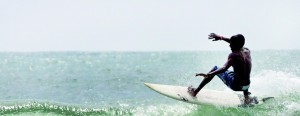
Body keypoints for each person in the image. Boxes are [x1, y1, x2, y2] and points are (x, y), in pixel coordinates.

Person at [188, 33, 253, 104]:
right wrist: (221, 38)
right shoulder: (247, 51)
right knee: (241, 71)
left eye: (231, 43)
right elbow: (237, 43)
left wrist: (209, 74)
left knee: (215, 68)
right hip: (246, 86)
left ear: (236, 45)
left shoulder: (234, 55)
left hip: (236, 86)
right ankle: (246, 97)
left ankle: (195, 92)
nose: (229, 45)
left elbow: (224, 68)